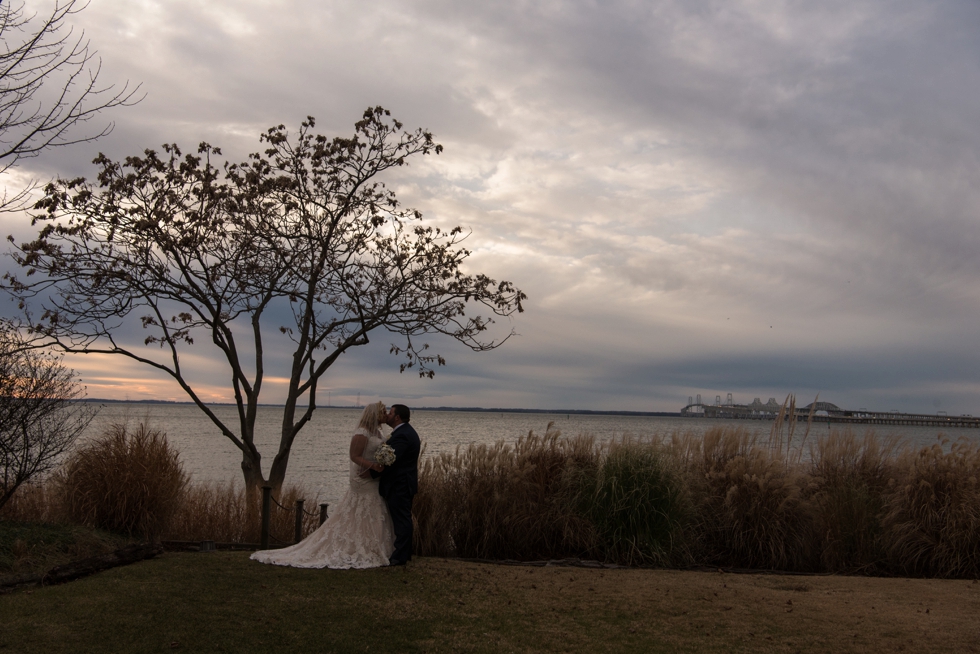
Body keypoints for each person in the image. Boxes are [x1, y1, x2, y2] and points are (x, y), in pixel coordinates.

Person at [250, 402, 394, 569]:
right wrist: (373, 465)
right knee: (363, 507)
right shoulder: (362, 433)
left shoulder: (377, 431)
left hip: (373, 477)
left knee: (373, 508)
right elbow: (354, 456)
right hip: (362, 478)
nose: (386, 415)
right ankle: (359, 546)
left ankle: (373, 545)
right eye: (383, 412)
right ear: (375, 414)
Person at [370, 403, 420, 566]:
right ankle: (401, 554)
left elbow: (390, 460)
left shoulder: (403, 435)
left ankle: (399, 556)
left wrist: (370, 472)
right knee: (401, 520)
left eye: (390, 413)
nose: (388, 415)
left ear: (397, 417)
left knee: (402, 520)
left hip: (400, 485)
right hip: (400, 484)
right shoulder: (403, 432)